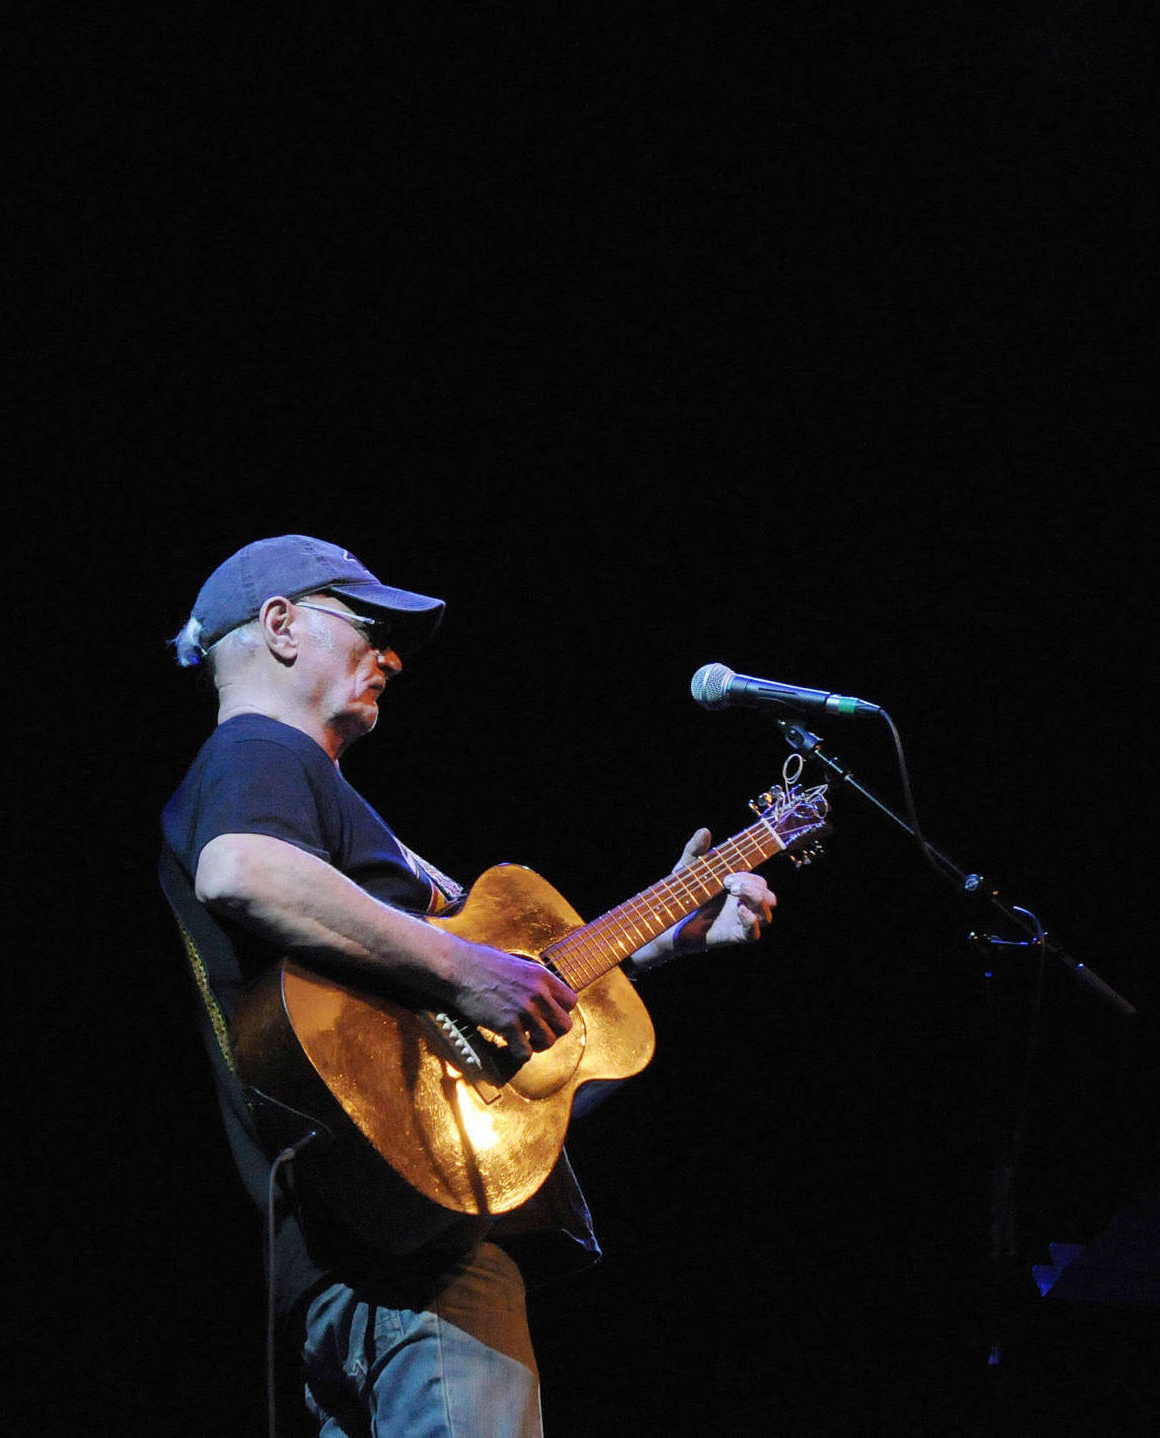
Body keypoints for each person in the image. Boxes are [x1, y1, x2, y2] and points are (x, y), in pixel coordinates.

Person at [158, 535, 776, 1437]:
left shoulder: (310, 790)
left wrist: (657, 944)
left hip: (367, 1255)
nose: (392, 656)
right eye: (368, 627)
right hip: (414, 1270)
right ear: (281, 627)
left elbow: (490, 1001)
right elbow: (242, 869)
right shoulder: (260, 749)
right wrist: (465, 968)